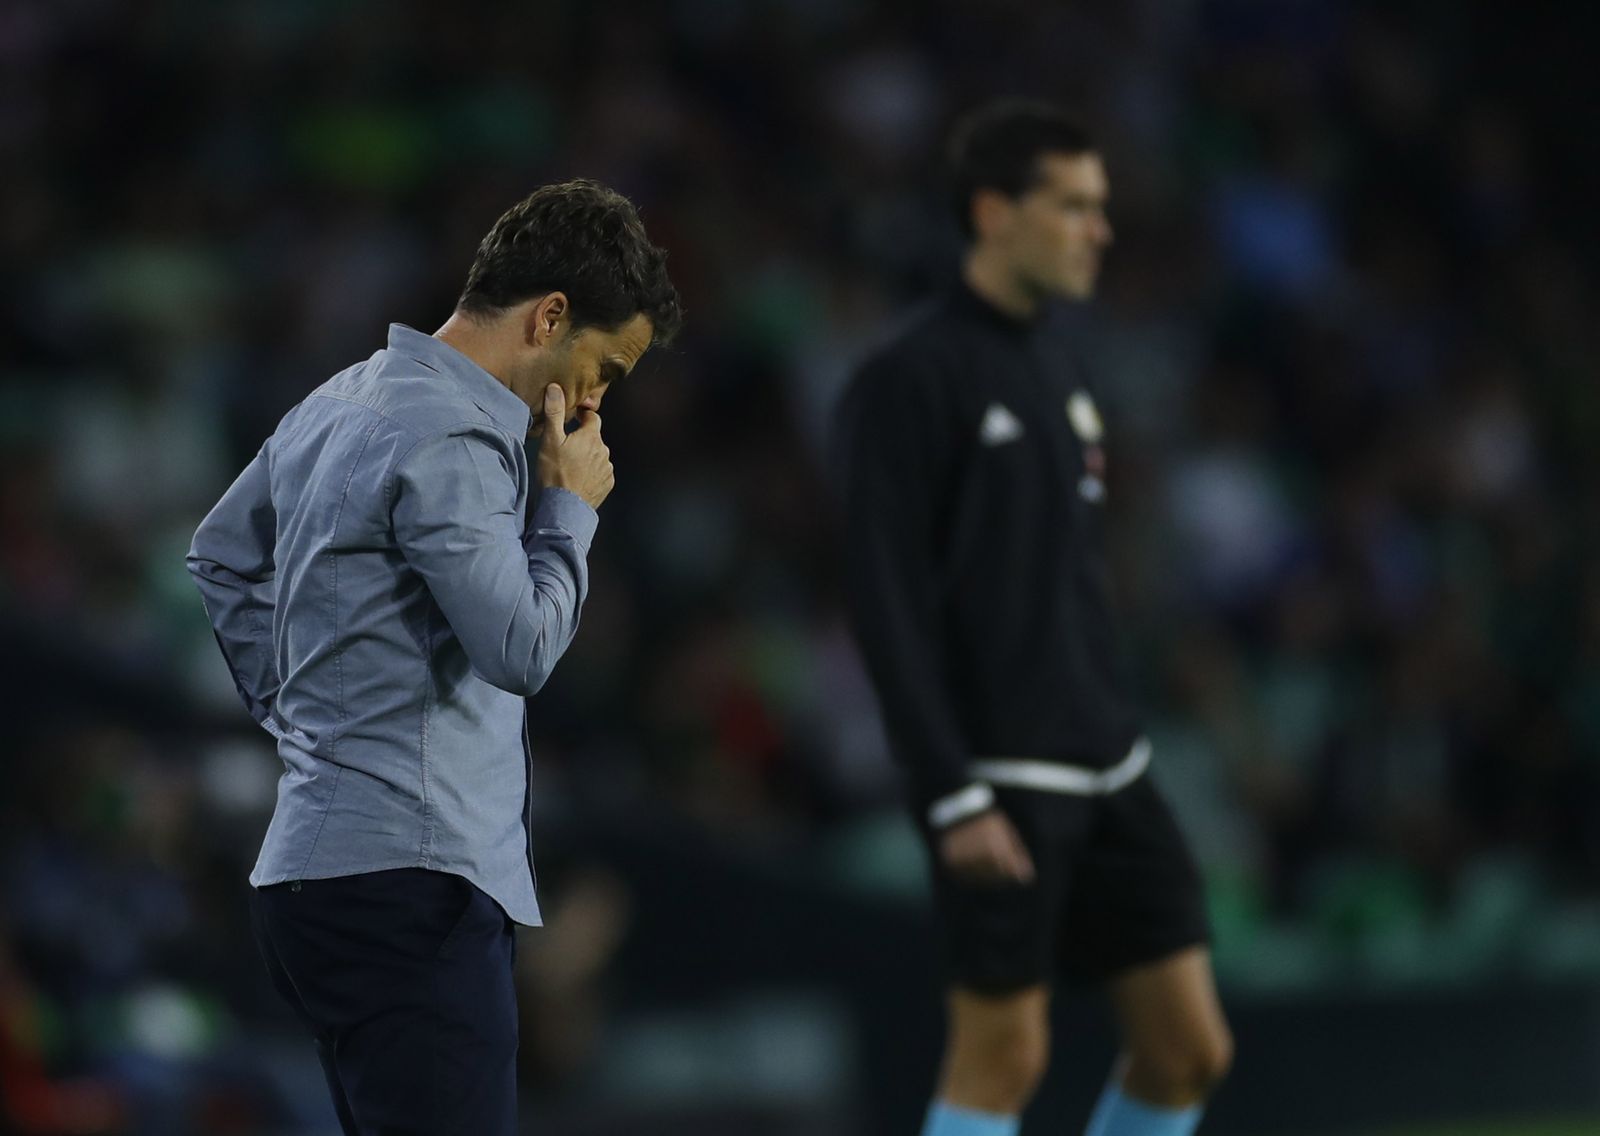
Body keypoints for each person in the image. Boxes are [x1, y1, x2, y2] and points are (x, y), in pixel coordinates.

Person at [187, 179, 681, 1135]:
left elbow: (220, 554)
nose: (593, 401)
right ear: (550, 316)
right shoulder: (454, 433)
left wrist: (303, 722)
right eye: (606, 368)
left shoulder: (341, 395)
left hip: (314, 880)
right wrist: (569, 508)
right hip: (412, 882)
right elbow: (521, 648)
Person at [835, 103, 1233, 1136]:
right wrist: (950, 789)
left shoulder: (1062, 368)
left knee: (1189, 1047)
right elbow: (882, 602)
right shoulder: (904, 380)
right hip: (1000, 776)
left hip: (1111, 759)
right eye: (1074, 207)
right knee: (1001, 1055)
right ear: (993, 211)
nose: (1099, 230)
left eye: (1101, 208)